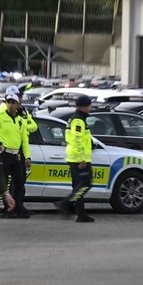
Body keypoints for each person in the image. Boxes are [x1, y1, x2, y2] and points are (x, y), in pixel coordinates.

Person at [0, 92, 32, 218]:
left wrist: (27, 156)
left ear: (17, 105)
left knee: (19, 183)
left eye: (13, 102)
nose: (10, 105)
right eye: (8, 102)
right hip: (4, 154)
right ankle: (6, 208)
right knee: (5, 182)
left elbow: (24, 140)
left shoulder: (21, 121)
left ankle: (18, 207)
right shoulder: (1, 118)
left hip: (16, 155)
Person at [57, 95, 95, 223]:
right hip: (78, 159)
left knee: (78, 186)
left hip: (75, 158)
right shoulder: (78, 120)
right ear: (83, 107)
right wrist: (81, 159)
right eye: (89, 106)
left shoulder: (78, 119)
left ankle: (81, 213)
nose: (90, 108)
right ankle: (66, 203)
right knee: (86, 184)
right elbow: (77, 140)